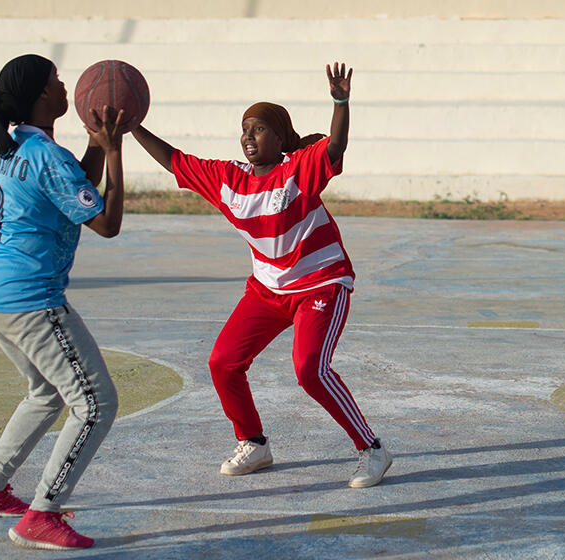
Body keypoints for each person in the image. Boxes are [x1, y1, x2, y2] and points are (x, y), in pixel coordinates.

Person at [131, 62, 392, 488]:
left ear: (280, 136)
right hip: (268, 289)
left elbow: (335, 146)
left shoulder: (298, 169)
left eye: (258, 129)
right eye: (244, 129)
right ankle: (253, 442)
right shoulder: (228, 179)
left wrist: (340, 101)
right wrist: (134, 127)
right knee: (223, 362)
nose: (248, 137)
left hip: (320, 284)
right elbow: (175, 161)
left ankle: (372, 449)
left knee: (310, 368)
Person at [0, 54, 126, 551]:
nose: (64, 86)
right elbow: (106, 223)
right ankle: (42, 513)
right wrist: (114, 152)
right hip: (29, 300)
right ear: (37, 96)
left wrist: (96, 145)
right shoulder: (45, 153)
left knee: (46, 394)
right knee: (96, 403)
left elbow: (71, 188)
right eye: (54, 81)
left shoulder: (23, 145)